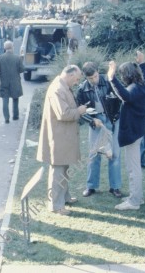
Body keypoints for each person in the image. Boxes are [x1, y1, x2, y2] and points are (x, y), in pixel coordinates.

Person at [36, 65, 89, 216]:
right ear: (70, 75)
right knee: (58, 172)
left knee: (64, 169)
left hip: (62, 136)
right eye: (77, 79)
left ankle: (64, 197)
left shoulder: (61, 85)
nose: (77, 82)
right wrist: (79, 111)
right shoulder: (58, 89)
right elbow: (63, 114)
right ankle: (55, 205)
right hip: (58, 137)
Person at [108, 51, 145, 211]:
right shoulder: (144, 84)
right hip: (138, 130)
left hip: (133, 133)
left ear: (126, 76)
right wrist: (143, 63)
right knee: (134, 167)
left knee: (133, 169)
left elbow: (124, 95)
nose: (121, 78)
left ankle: (134, 201)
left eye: (121, 75)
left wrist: (111, 78)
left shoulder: (133, 89)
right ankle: (137, 196)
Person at [77, 62, 123, 198]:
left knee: (114, 153)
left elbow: (122, 97)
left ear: (98, 71)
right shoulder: (82, 89)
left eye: (96, 76)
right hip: (96, 121)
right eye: (90, 78)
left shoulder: (109, 81)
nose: (94, 80)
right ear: (86, 77)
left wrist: (116, 117)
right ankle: (91, 186)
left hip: (113, 119)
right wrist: (91, 120)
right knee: (94, 154)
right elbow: (80, 110)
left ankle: (115, 187)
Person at [0, 41, 24, 123]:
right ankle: (15, 116)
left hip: (4, 81)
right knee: (15, 99)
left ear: (4, 48)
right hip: (15, 81)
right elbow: (22, 69)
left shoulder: (0, 58)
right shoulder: (17, 58)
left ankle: (6, 118)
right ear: (12, 47)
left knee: (5, 100)